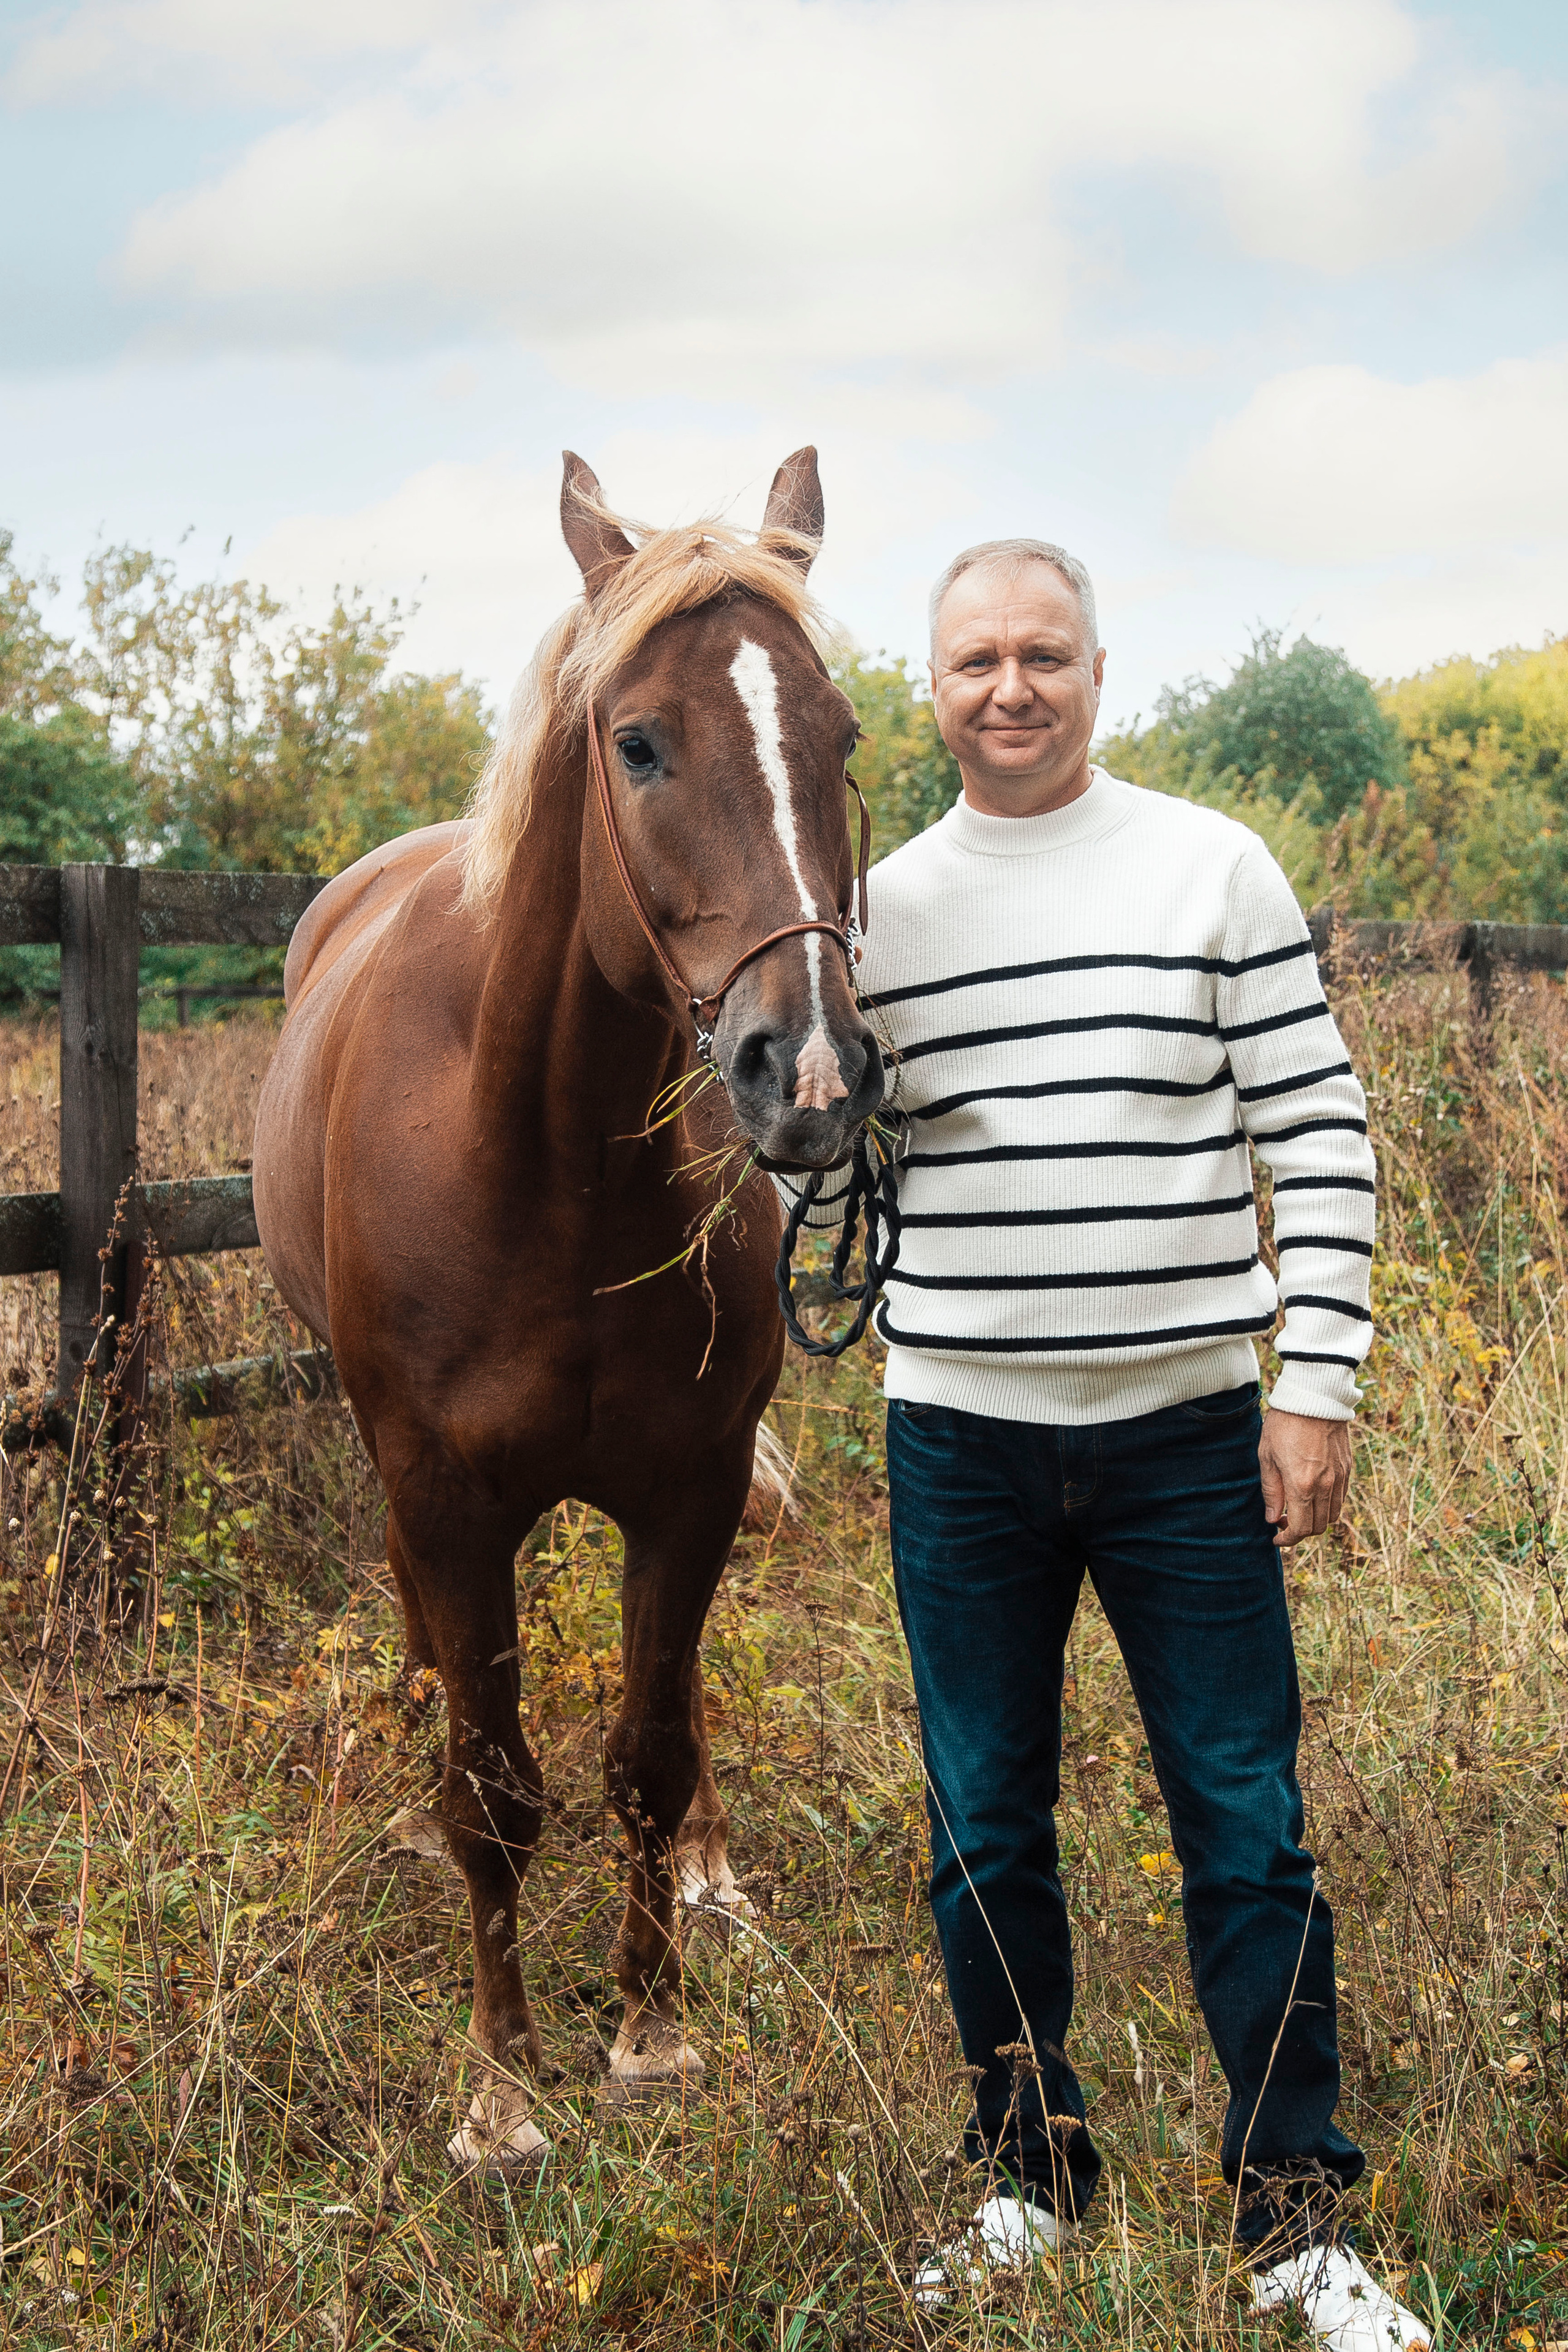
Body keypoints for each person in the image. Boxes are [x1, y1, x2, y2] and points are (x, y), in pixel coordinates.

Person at [780, 542, 1427, 2351]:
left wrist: (1319, 1383)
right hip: (960, 1442)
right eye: (976, 658)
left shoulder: (1209, 867)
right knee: (984, 1825)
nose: (1011, 687)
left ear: (1097, 669)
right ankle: (1028, 2175)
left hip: (1185, 1436)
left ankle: (1297, 2222)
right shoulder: (874, 912)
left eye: (1043, 655)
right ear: (929, 690)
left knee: (1246, 1819)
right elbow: (813, 1150)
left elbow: (1321, 1127)